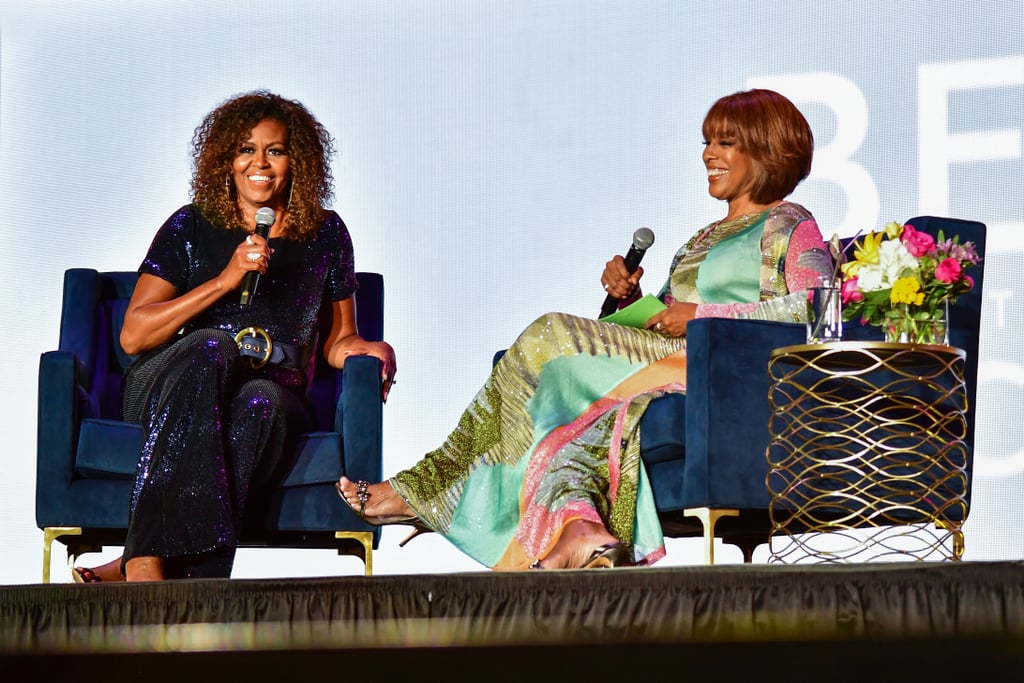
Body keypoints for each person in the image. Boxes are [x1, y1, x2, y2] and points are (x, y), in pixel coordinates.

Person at [337, 88, 831, 570]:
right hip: (666, 358)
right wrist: (630, 300)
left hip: (718, 373)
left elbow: (816, 308)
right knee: (559, 427)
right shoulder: (701, 238)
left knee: (550, 333)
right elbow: (667, 314)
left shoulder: (790, 224)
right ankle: (582, 530)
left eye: (725, 143)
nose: (708, 155)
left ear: (767, 148)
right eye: (706, 142)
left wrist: (703, 317)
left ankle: (425, 489)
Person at [72, 90, 396, 583]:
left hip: (273, 386)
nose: (259, 163)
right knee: (213, 344)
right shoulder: (191, 225)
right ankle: (142, 561)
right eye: (246, 149)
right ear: (226, 160)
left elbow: (338, 340)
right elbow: (134, 335)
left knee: (262, 404)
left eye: (276, 150)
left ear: (298, 161)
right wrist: (224, 281)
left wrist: (372, 349)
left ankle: (183, 585)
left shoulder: (327, 234)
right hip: (175, 382)